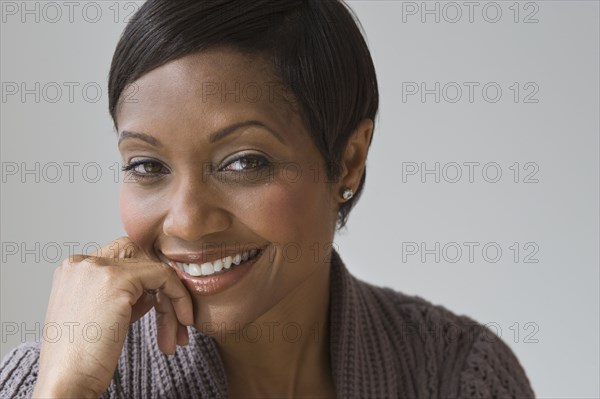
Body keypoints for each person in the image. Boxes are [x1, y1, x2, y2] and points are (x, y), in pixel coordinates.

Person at [0, 0, 536, 398]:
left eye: (244, 162)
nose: (187, 222)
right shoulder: (43, 381)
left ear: (348, 159)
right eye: (147, 166)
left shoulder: (459, 375)